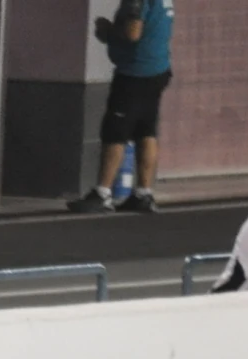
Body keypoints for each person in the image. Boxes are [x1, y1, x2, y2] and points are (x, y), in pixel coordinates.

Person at [67, 0, 174, 213]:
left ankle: (102, 193)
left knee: (116, 131)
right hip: (157, 69)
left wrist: (108, 31)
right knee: (146, 129)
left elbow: (133, 32)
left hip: (135, 73)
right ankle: (144, 193)